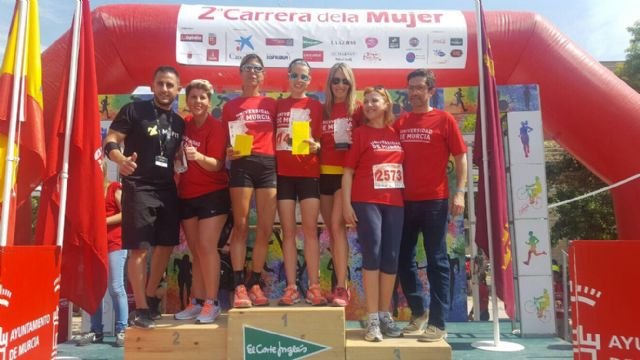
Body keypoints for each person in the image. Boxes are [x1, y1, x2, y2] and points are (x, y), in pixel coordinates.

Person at [103, 66, 185, 328]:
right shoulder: (134, 110)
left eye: (170, 85)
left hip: (167, 188)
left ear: (177, 90)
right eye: (160, 83)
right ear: (152, 86)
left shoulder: (179, 122)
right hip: (138, 186)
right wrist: (120, 159)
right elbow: (112, 139)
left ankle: (149, 295)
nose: (165, 89)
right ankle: (140, 308)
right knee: (139, 249)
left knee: (166, 244)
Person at [395, 69, 467, 342]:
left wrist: (459, 193)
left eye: (419, 88)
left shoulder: (444, 119)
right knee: (403, 260)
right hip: (404, 201)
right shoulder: (400, 123)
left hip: (435, 201)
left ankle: (438, 323)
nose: (413, 92)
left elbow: (461, 158)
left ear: (430, 91)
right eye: (410, 87)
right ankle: (418, 313)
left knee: (437, 261)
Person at [342, 86, 405, 342]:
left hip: (395, 202)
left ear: (386, 103)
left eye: (374, 100)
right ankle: (372, 320)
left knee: (390, 257)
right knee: (374, 252)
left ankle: (384, 313)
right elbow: (347, 171)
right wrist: (346, 205)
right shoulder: (360, 133)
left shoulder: (396, 131)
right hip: (366, 200)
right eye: (365, 101)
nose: (368, 105)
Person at [222, 54, 278, 308]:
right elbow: (226, 144)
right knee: (241, 226)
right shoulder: (231, 106)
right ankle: (239, 285)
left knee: (265, 228)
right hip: (242, 164)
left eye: (257, 68)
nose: (253, 72)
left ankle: (255, 281)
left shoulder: (272, 103)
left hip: (268, 164)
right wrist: (228, 153)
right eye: (247, 68)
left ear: (263, 75)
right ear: (240, 73)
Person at [173, 79, 229, 323]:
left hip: (213, 194)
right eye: (193, 97)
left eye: (202, 97)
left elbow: (218, 165)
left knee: (207, 247)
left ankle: (212, 302)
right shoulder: (184, 125)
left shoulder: (216, 128)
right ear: (187, 100)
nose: (197, 101)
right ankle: (196, 302)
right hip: (187, 194)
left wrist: (199, 156)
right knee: (196, 251)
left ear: (210, 101)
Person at [274, 59, 326, 306]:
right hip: (283, 174)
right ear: (288, 76)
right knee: (288, 232)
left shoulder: (316, 106)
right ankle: (292, 287)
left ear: (310, 80)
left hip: (308, 173)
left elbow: (325, 140)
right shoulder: (278, 105)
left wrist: (318, 146)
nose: (299, 80)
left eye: (304, 77)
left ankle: (314, 286)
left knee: (309, 232)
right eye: (295, 75)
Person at [319, 62, 363, 307]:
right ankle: (338, 284)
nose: (340, 85)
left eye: (344, 80)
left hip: (345, 177)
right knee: (332, 232)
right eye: (335, 80)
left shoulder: (356, 110)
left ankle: (341, 287)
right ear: (329, 83)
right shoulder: (322, 109)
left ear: (351, 83)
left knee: (336, 227)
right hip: (322, 175)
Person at [77, 180, 128, 347]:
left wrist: (101, 222)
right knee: (94, 287)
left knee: (115, 286)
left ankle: (122, 329)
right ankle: (96, 330)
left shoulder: (114, 188)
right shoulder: (87, 192)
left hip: (115, 243)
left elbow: (125, 213)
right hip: (94, 245)